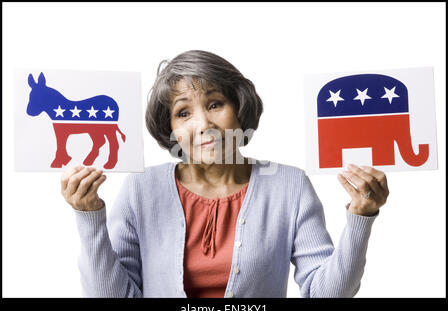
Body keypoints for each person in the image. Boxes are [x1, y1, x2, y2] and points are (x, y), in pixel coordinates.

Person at [61, 50, 389, 298]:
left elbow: (325, 293)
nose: (203, 124)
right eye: (183, 112)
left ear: (239, 108)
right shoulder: (141, 187)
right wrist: (88, 217)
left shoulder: (289, 185)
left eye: (215, 104)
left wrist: (362, 215)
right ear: (170, 129)